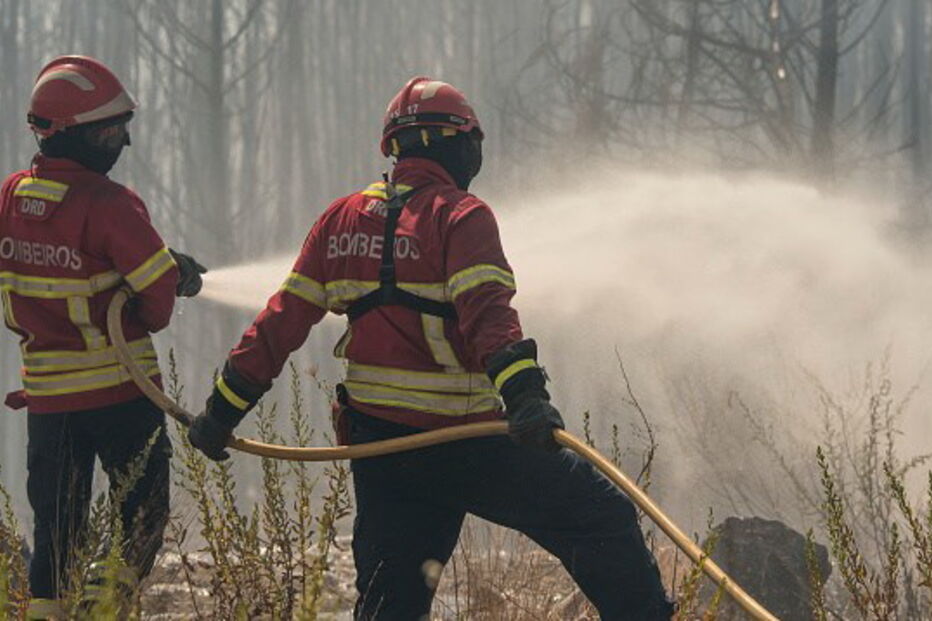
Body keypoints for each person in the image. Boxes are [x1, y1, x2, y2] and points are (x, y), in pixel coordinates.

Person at [189, 76, 674, 620]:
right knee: (598, 516)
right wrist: (525, 397)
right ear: (457, 143)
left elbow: (280, 324)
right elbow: (488, 315)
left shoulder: (340, 221)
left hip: (384, 450)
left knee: (390, 604)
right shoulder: (461, 216)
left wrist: (221, 411)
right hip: (466, 440)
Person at [0, 55, 206, 618]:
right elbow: (158, 305)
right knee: (142, 514)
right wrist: (172, 273)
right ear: (72, 135)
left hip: (48, 403)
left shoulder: (11, 197)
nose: (124, 141)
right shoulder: (111, 204)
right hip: (121, 395)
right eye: (112, 130)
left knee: (56, 530)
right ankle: (104, 607)